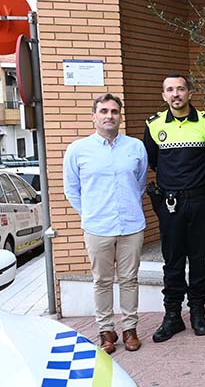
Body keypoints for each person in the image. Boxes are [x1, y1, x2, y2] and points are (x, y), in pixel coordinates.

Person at [63, 93, 148, 354]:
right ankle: (105, 331)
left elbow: (140, 183)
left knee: (129, 279)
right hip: (97, 227)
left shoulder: (135, 147)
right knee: (101, 280)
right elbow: (72, 189)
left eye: (114, 111)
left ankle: (130, 328)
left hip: (131, 225)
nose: (109, 116)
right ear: (94, 116)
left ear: (120, 116)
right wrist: (90, 214)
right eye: (103, 111)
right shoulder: (78, 150)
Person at [143, 74, 205, 342]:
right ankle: (172, 316)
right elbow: (153, 162)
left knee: (199, 260)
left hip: (201, 202)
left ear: (190, 93)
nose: (176, 94)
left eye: (181, 89)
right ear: (164, 95)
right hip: (170, 203)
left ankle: (198, 313)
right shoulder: (153, 125)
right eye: (170, 90)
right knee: (172, 261)